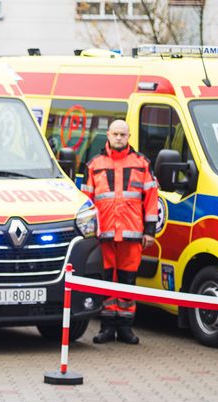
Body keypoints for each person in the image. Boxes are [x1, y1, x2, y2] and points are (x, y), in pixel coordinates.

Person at [81, 119, 159, 345]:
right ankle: (106, 327)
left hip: (132, 233)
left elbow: (151, 199)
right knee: (106, 281)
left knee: (127, 281)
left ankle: (125, 327)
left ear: (129, 137)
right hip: (104, 233)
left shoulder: (141, 163)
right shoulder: (94, 164)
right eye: (115, 134)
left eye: (123, 135)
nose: (118, 138)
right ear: (108, 134)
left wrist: (150, 231)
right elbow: (87, 200)